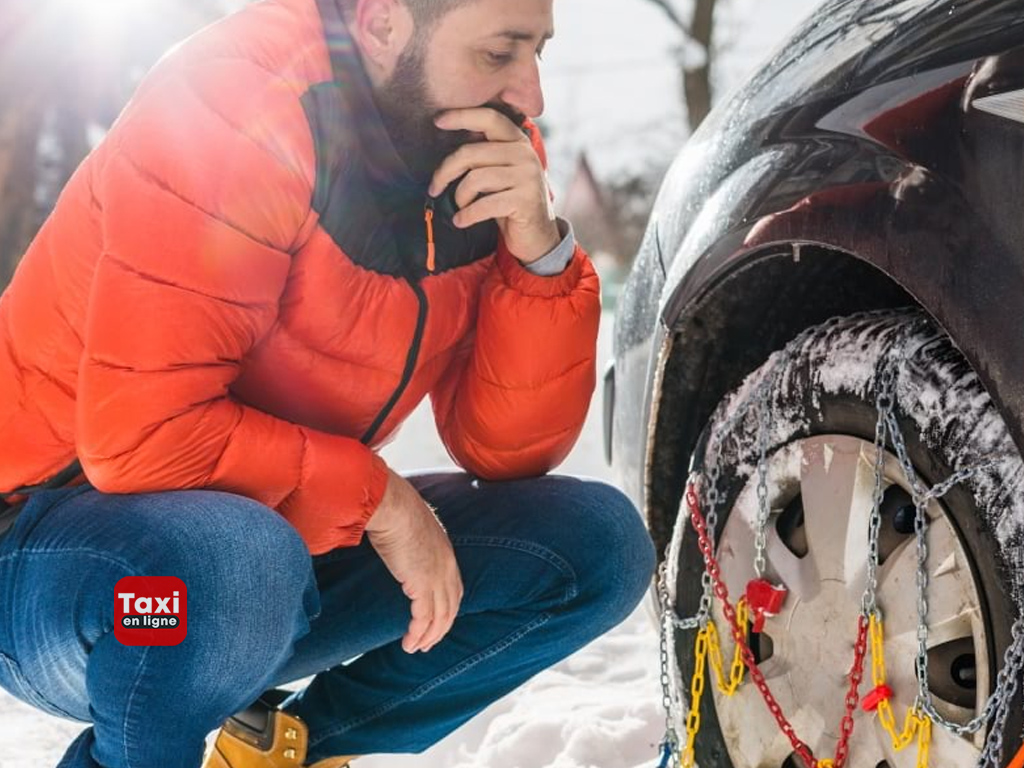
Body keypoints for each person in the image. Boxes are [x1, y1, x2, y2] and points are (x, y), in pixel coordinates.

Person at [0, 0, 656, 766]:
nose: (530, 96)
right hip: (58, 553)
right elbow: (143, 437)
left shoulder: (480, 158)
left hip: (267, 548)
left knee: (593, 546)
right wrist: (381, 500)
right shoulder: (234, 108)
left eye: (537, 50)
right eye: (498, 53)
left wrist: (536, 256)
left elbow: (506, 451)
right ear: (381, 25)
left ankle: (283, 750)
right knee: (239, 561)